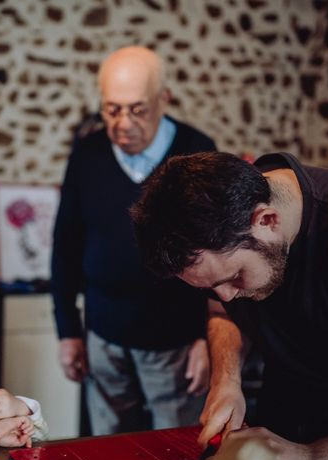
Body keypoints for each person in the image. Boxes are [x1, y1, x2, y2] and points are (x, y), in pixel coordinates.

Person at [131, 151, 328, 460]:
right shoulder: (218, 225)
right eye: (211, 287)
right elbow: (222, 312)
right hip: (285, 418)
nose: (228, 296)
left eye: (235, 277)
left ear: (267, 220)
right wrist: (227, 380)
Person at [51, 45, 217, 435]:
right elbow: (65, 244)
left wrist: (205, 337)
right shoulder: (87, 155)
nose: (123, 123)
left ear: (164, 100)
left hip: (174, 341)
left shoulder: (197, 152)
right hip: (103, 335)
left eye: (137, 109)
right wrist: (68, 332)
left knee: (175, 450)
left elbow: (217, 250)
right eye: (112, 109)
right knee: (106, 448)